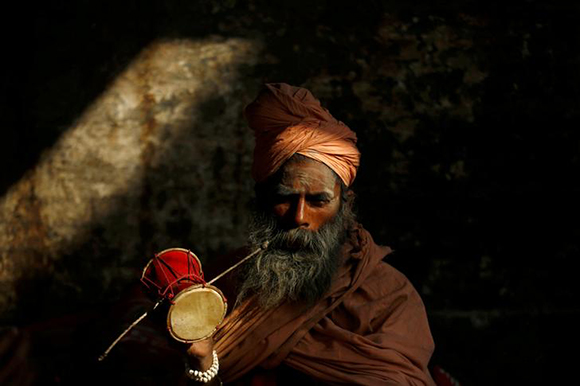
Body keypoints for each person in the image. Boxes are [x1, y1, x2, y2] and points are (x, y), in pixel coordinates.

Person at [183, 83, 436, 385]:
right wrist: (203, 364)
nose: (299, 217)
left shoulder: (390, 295)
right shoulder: (223, 284)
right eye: (284, 198)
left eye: (318, 201)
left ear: (346, 205)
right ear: (262, 200)